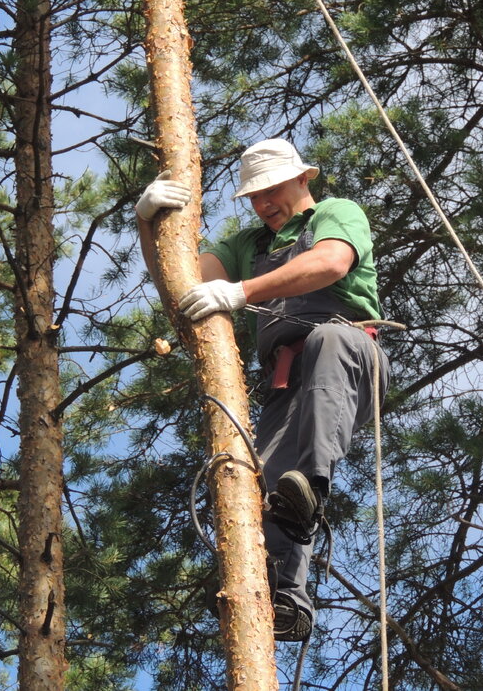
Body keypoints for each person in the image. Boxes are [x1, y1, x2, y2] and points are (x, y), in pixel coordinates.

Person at [135, 138, 388, 642]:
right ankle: (283, 599)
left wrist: (241, 291)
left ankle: (312, 488)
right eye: (254, 196)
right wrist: (148, 225)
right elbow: (183, 290)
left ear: (302, 179)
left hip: (349, 352)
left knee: (327, 341)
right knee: (264, 479)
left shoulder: (334, 214)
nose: (264, 203)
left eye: (272, 190)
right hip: (286, 378)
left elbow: (332, 263)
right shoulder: (247, 247)